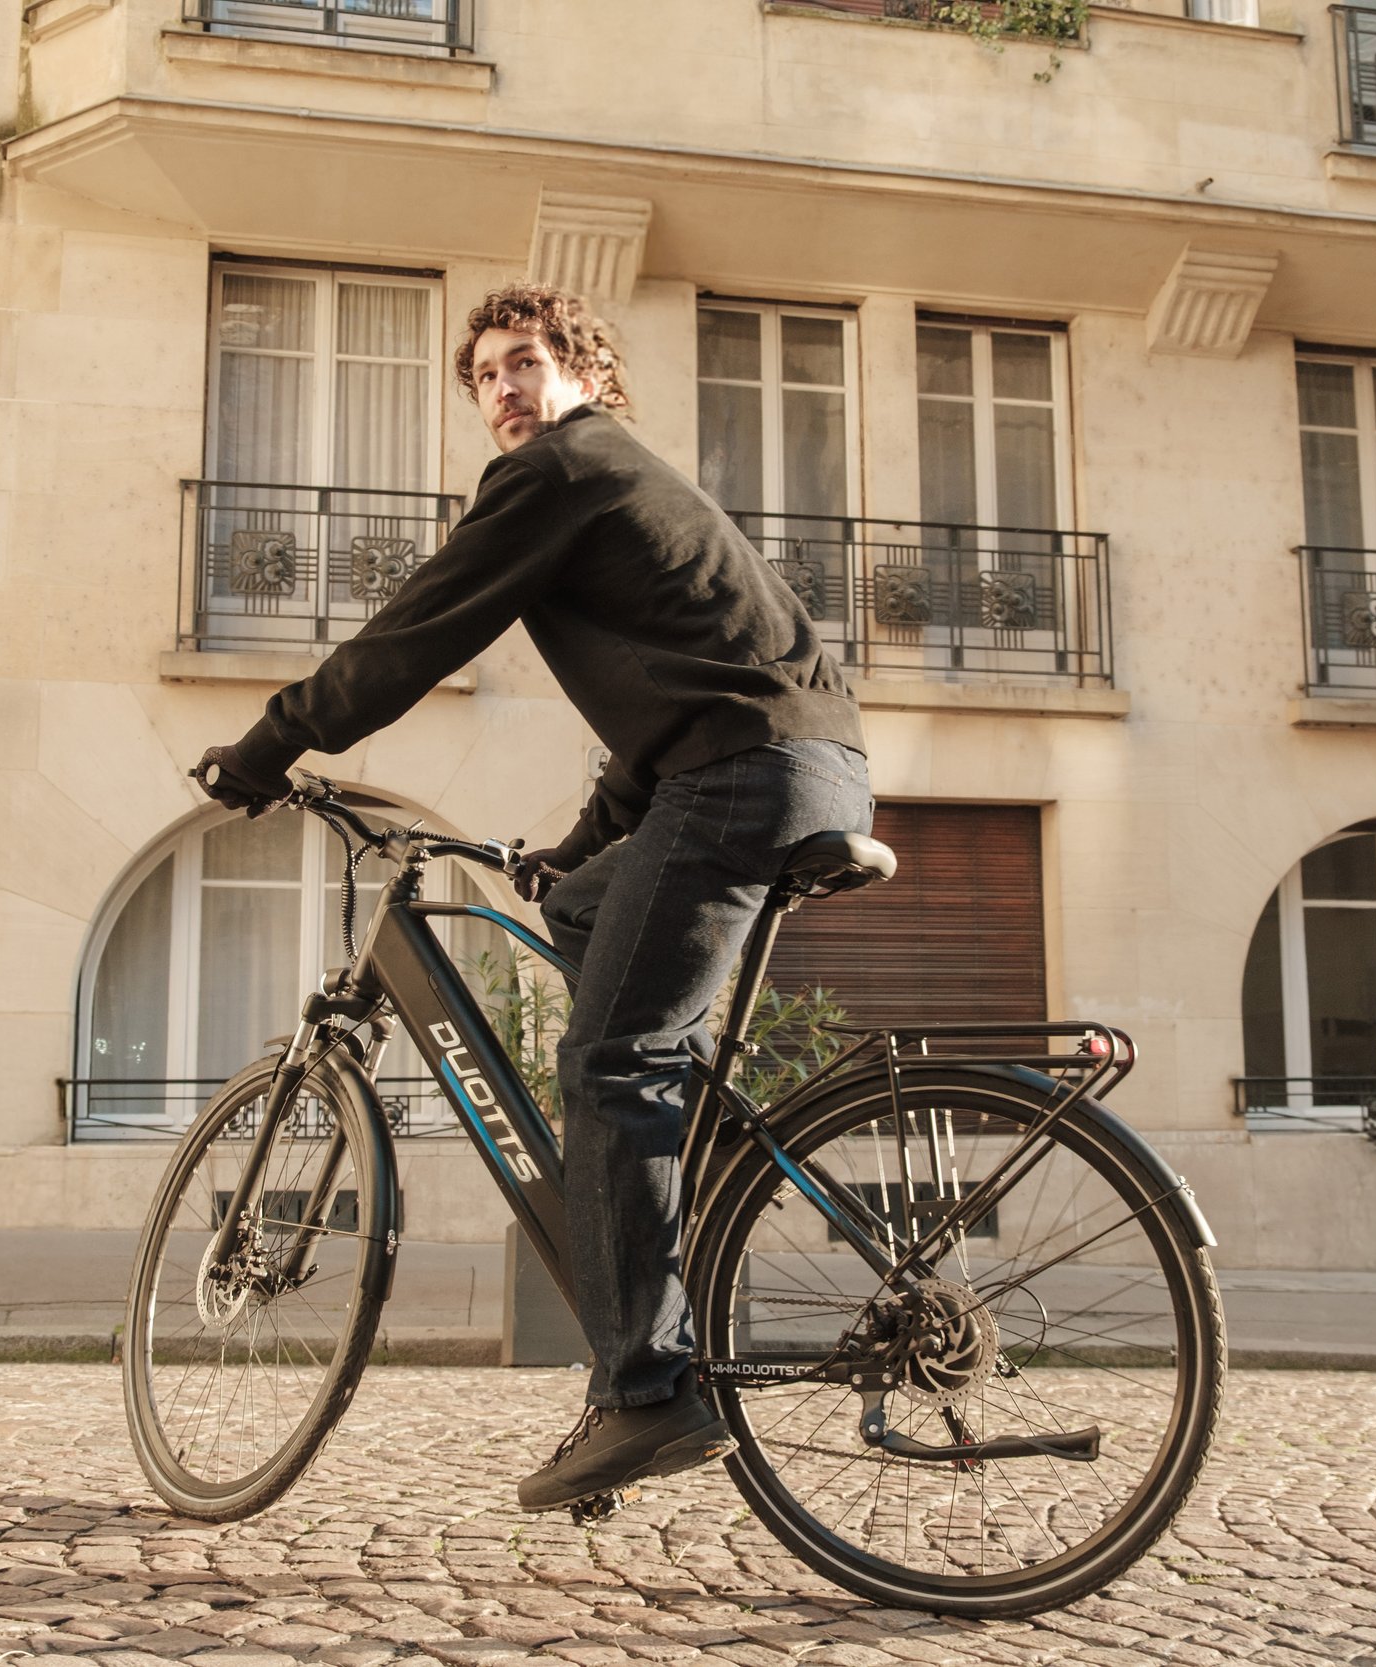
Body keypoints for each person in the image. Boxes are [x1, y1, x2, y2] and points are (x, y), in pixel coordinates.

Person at [195, 283, 871, 1511]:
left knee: (610, 1062)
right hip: (789, 766)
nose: (501, 388)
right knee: (578, 912)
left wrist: (270, 743)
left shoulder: (560, 469)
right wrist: (580, 847)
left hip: (743, 776)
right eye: (483, 375)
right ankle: (674, 1169)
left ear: (584, 373)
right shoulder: (619, 479)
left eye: (524, 361)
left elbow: (417, 630)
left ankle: (646, 1393)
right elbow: (674, 703)